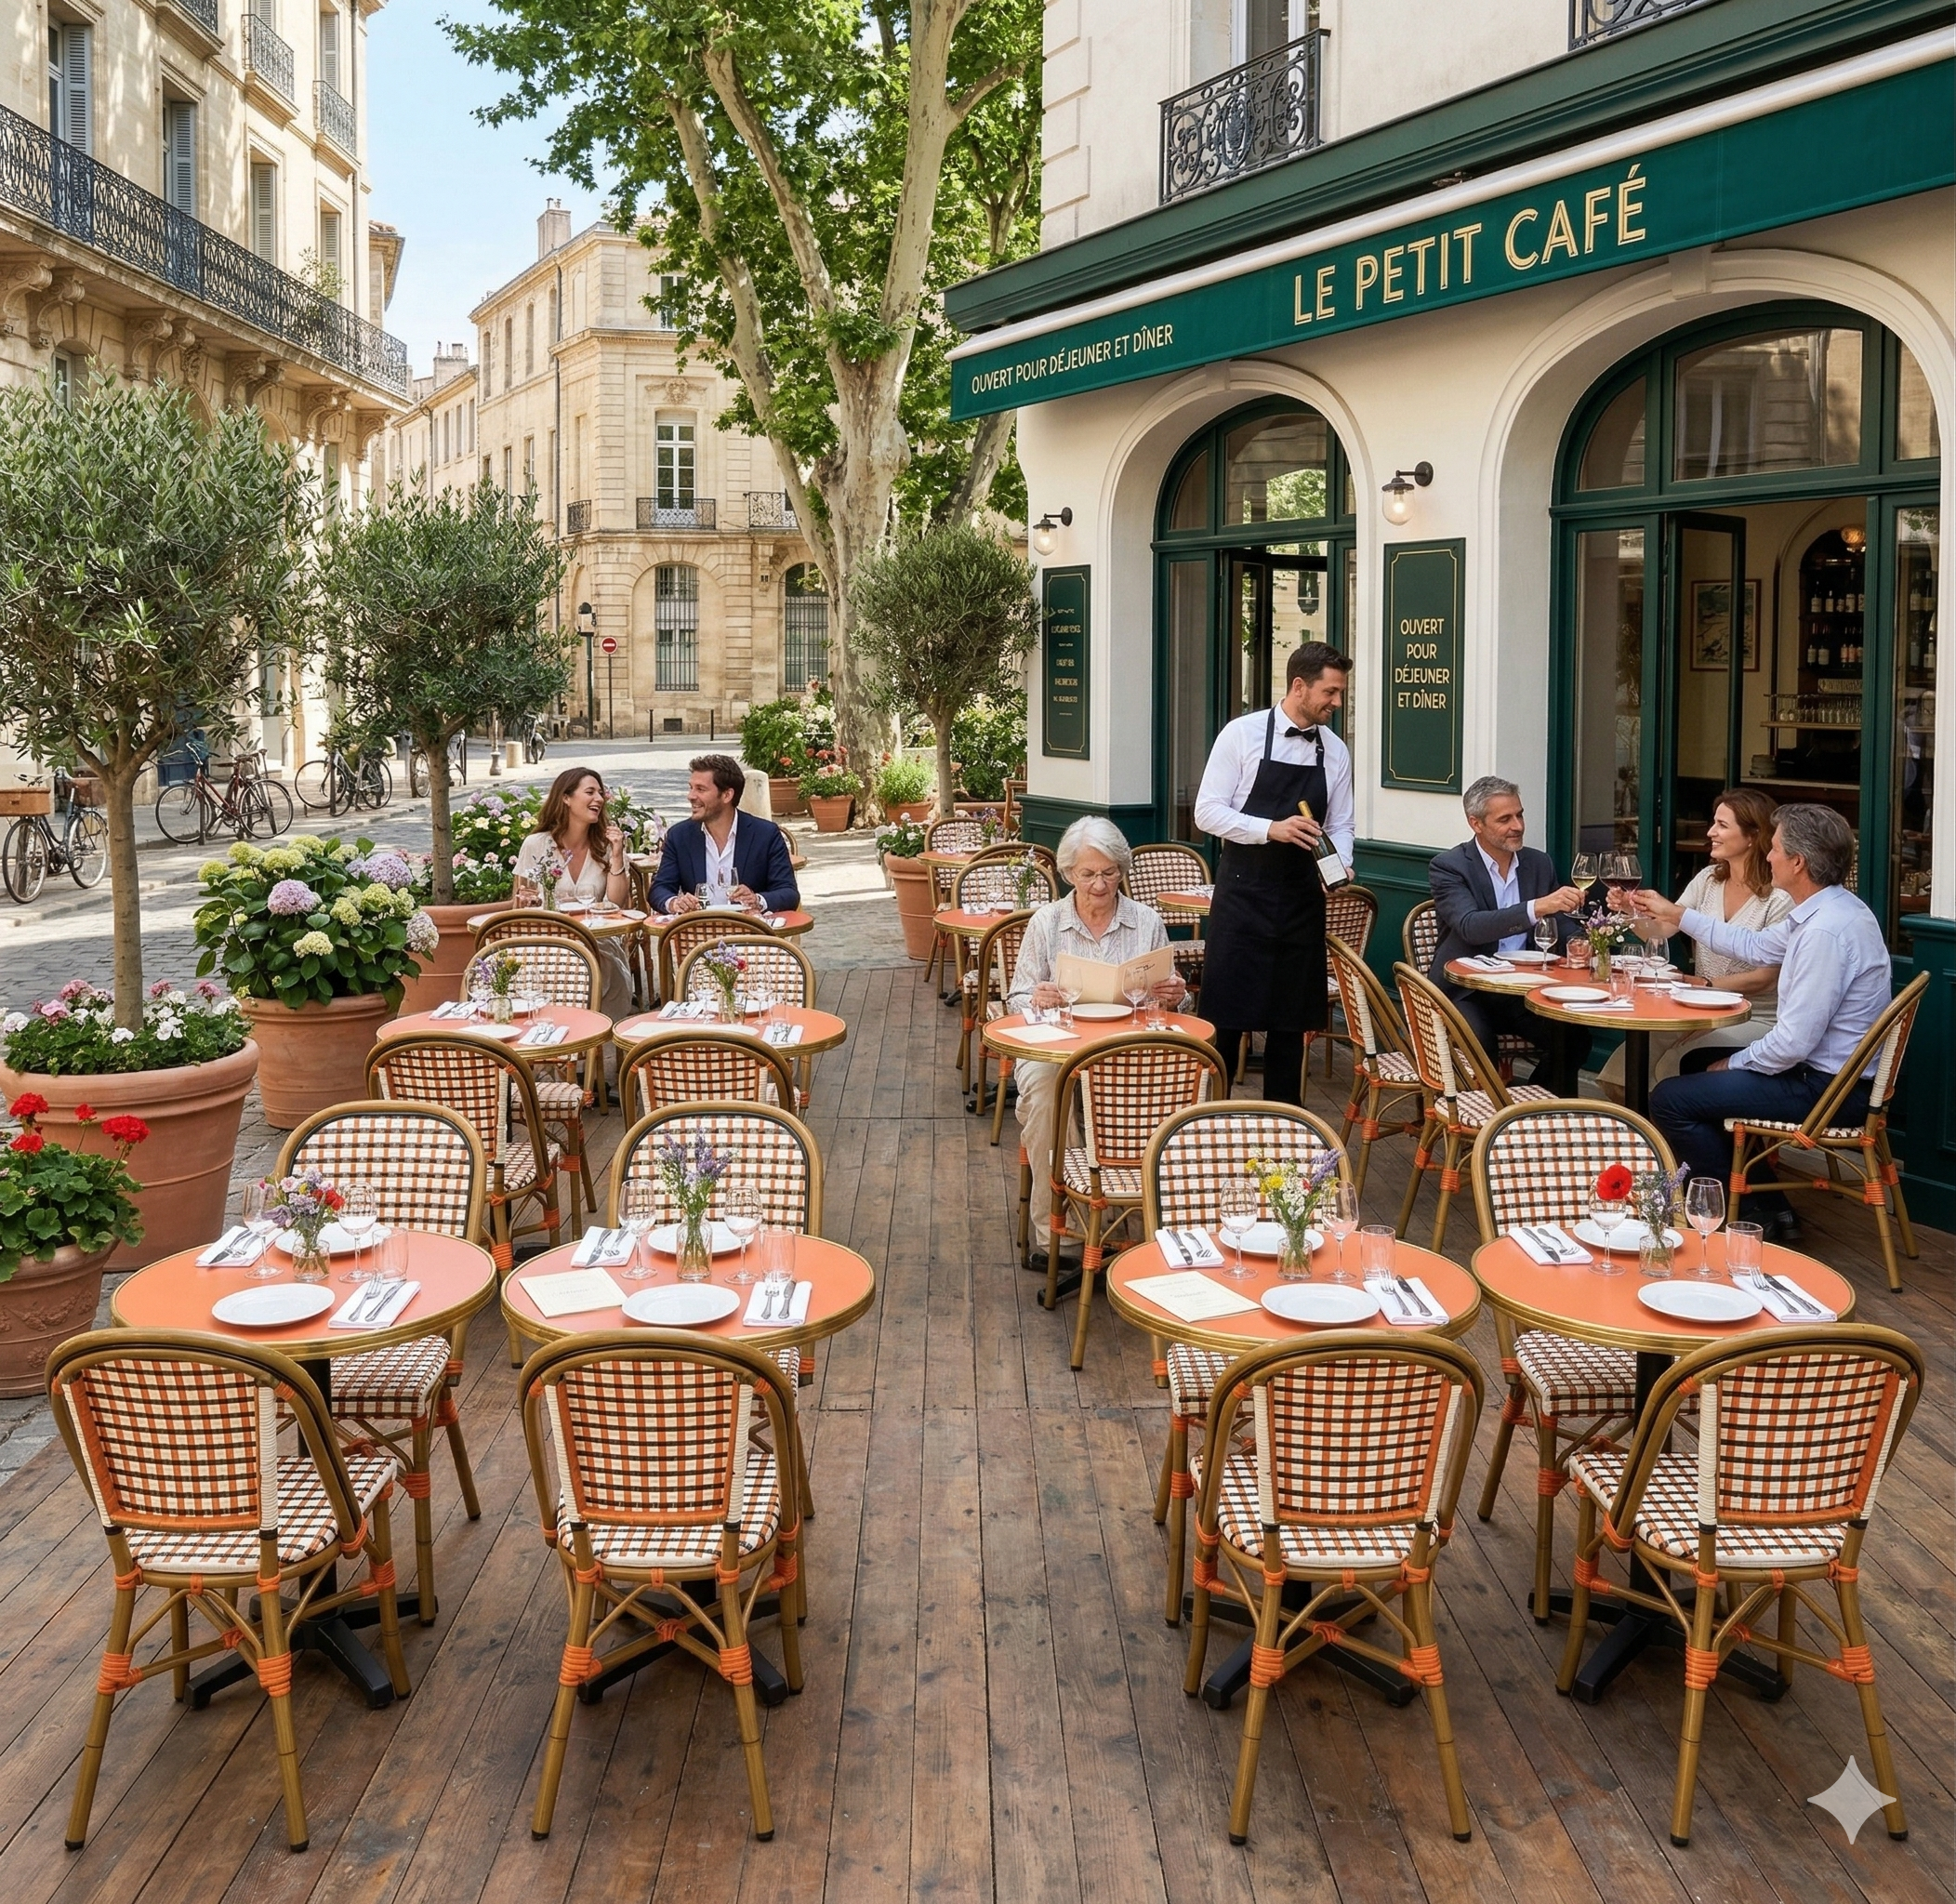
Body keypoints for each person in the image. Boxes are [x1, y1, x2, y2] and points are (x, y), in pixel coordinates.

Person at [1637, 802, 1890, 1244]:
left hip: (1829, 1089)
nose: (1768, 856)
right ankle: (1771, 1206)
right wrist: (1677, 914)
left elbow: (1792, 1043)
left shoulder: (1822, 934)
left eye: (1774, 849)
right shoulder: (1834, 909)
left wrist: (1734, 1064)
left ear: (1798, 862)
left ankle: (1743, 1211)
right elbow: (1752, 944)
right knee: (1695, 1067)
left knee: (1670, 1099)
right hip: (1832, 1075)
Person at [1008, 817, 1190, 1274]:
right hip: (1057, 1046)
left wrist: (1174, 994)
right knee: (1048, 1088)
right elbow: (1014, 998)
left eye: (1109, 872)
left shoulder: (1145, 920)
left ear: (1122, 871)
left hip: (1128, 1048)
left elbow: (1172, 994)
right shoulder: (1047, 922)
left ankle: (1146, 1220)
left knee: (1175, 1086)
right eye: (1088, 874)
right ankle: (1061, 1233)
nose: (1099, 884)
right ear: (1069, 873)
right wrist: (1037, 995)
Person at [1191, 641, 1354, 1106]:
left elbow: (1342, 824)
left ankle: (1286, 1127)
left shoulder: (1336, 752)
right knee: (1225, 1019)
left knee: (1291, 1025)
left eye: (1340, 692)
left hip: (1303, 900)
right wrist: (1271, 829)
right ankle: (1209, 1120)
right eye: (1331, 691)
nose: (1337, 703)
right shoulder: (1240, 735)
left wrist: (1341, 862)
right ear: (1298, 686)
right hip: (1243, 897)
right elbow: (1207, 812)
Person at [1597, 787, 1791, 1098]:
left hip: (1755, 1017)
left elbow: (1766, 979)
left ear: (1754, 836)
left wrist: (1701, 983)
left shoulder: (1779, 897)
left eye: (1722, 825)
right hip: (1697, 1007)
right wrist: (1630, 910)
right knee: (1621, 1074)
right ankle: (1654, 1142)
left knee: (1668, 1071)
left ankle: (1679, 1142)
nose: (1711, 832)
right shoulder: (1709, 879)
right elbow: (1661, 931)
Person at [1427, 776, 1589, 1093]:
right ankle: (1485, 1128)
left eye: (1520, 815)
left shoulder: (1538, 863)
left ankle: (1538, 1113)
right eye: (1505, 819)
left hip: (1523, 989)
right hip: (1466, 990)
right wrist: (1536, 907)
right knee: (1480, 1045)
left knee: (1575, 1039)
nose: (1517, 826)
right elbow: (1471, 925)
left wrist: (1582, 943)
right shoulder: (1450, 866)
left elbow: (1560, 922)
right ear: (1476, 823)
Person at [510, 766, 635, 1023]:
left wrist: (616, 854)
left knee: (596, 965)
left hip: (596, 944)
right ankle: (553, 1042)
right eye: (590, 792)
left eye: (601, 793)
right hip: (547, 943)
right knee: (548, 969)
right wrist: (527, 901)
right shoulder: (536, 845)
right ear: (566, 798)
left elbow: (615, 903)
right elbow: (519, 905)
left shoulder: (605, 845)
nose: (599, 799)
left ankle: (585, 1041)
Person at [651, 754, 800, 916]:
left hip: (750, 935)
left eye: (700, 789)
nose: (691, 796)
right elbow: (659, 889)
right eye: (691, 787)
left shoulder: (765, 834)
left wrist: (757, 900)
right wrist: (674, 903)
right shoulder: (679, 836)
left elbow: (789, 893)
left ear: (727, 795)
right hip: (697, 935)